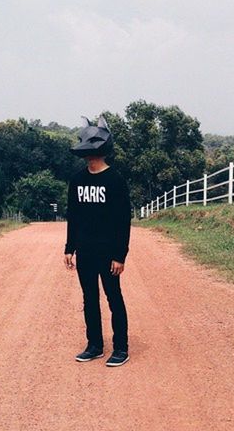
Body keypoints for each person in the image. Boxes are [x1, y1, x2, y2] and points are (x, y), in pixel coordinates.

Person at [64, 115, 132, 367]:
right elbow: (74, 216)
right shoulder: (77, 181)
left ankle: (121, 348)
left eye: (93, 152)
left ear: (103, 151)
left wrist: (119, 255)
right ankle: (94, 345)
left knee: (114, 297)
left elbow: (123, 220)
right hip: (85, 251)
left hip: (108, 252)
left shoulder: (115, 181)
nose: (89, 157)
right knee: (89, 298)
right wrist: (69, 248)